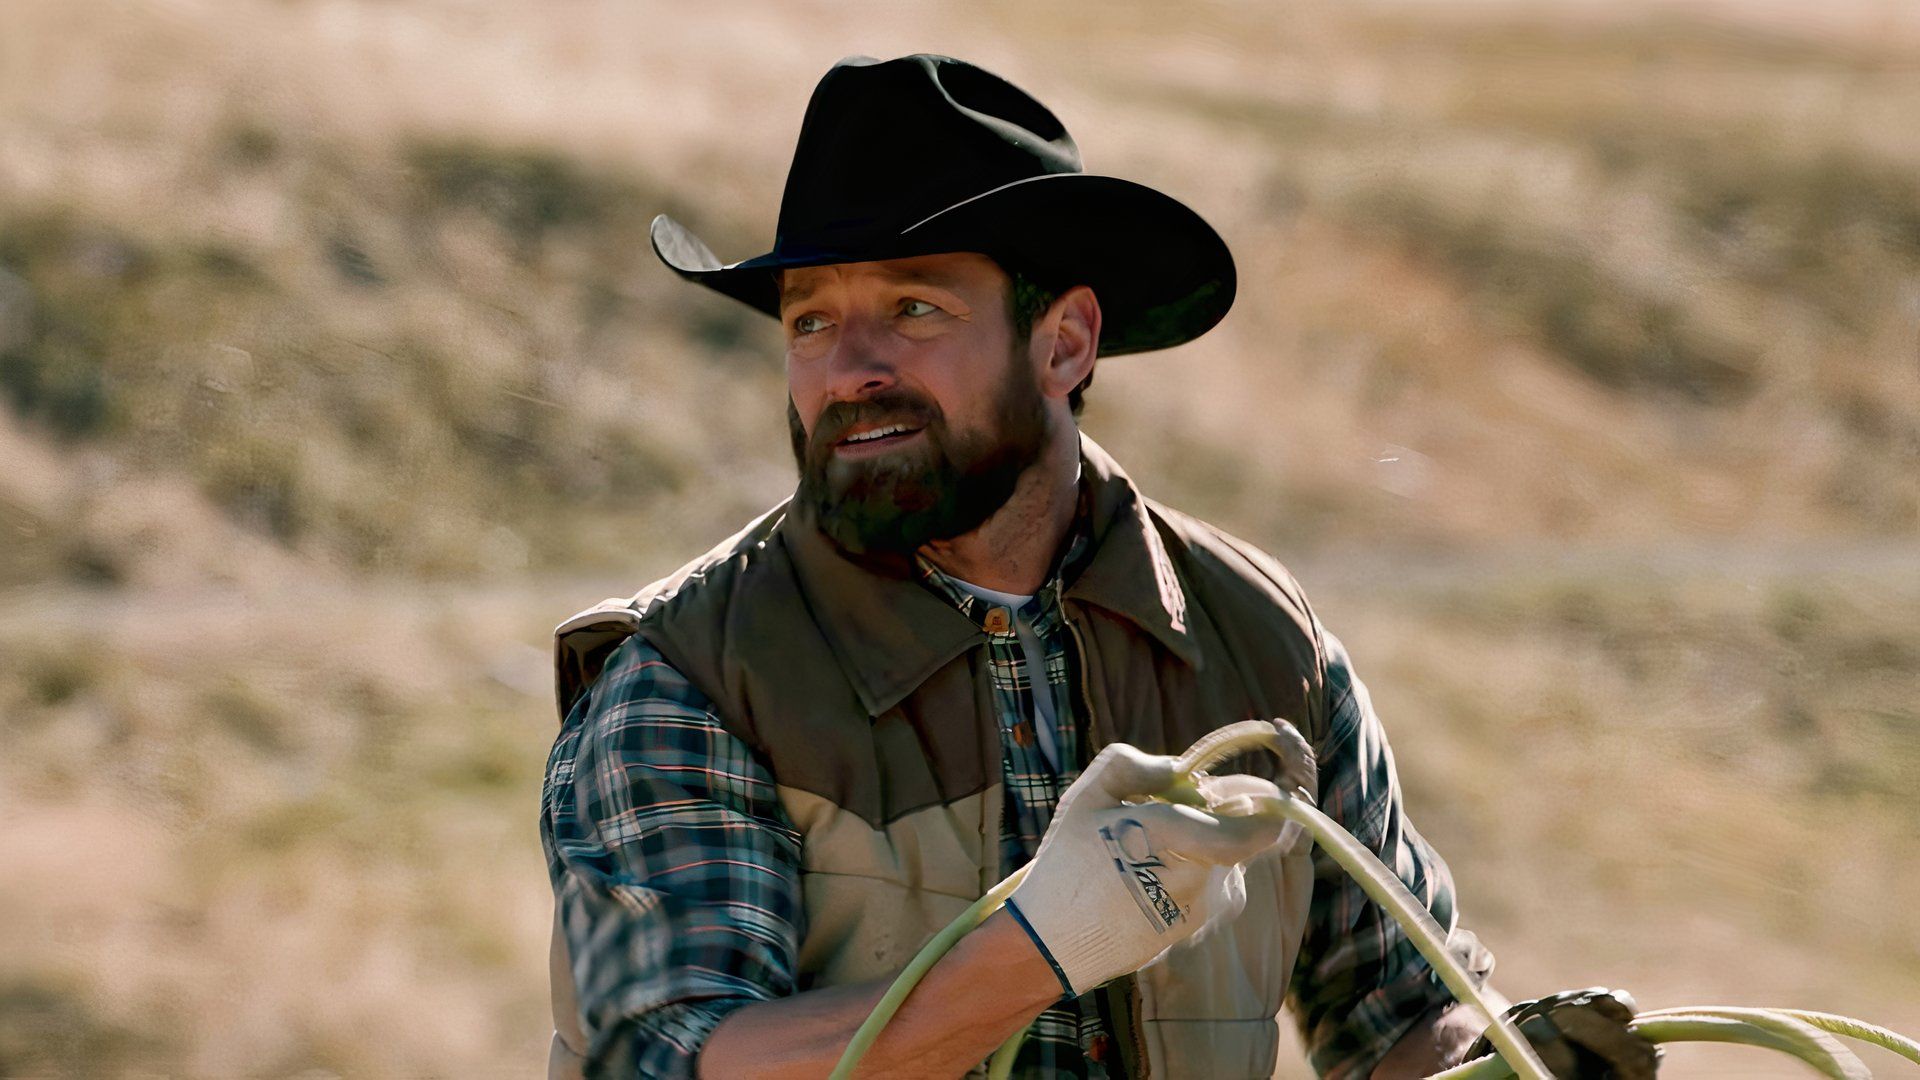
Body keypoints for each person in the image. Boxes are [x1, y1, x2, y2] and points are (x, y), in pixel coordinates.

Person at [539, 54, 1656, 1080]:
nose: (850, 369)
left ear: (1066, 343)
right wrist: (1039, 949)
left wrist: (1502, 1064)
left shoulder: (1262, 641)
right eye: (812, 321)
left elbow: (1399, 1015)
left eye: (913, 308)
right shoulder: (690, 677)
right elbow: (667, 1058)